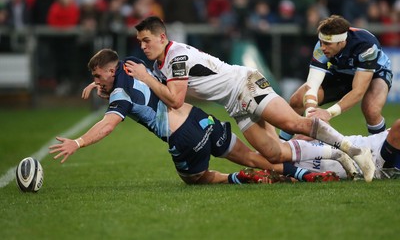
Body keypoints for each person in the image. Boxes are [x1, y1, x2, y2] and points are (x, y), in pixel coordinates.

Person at [123, 16, 375, 182]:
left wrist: (146, 78)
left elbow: (175, 101)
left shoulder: (176, 57)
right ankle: (336, 154)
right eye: (140, 42)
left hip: (244, 85)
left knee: (292, 124)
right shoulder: (158, 67)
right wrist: (111, 83)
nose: (143, 46)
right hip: (234, 103)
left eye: (147, 40)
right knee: (273, 153)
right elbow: (152, 87)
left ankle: (354, 150)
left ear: (162, 38)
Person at [48, 49, 342, 185]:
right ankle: (305, 173)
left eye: (99, 76)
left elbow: (109, 123)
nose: (98, 80)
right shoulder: (132, 62)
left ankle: (239, 179)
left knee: (194, 179)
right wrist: (101, 86)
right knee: (255, 156)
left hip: (185, 139)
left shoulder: (119, 96)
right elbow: (132, 88)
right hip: (202, 120)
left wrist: (79, 141)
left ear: (111, 72)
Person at [286, 15, 392, 137]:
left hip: (375, 73)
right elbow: (312, 86)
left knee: (371, 109)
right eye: (321, 42)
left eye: (327, 44)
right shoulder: (321, 47)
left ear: (342, 42)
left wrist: (328, 113)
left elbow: (358, 91)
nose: (322, 47)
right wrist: (312, 115)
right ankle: (282, 145)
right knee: (297, 100)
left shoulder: (366, 46)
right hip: (342, 71)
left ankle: (380, 150)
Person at [294, 116, 400, 180]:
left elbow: (323, 126)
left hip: (372, 145)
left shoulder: (290, 146)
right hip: (375, 162)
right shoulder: (283, 158)